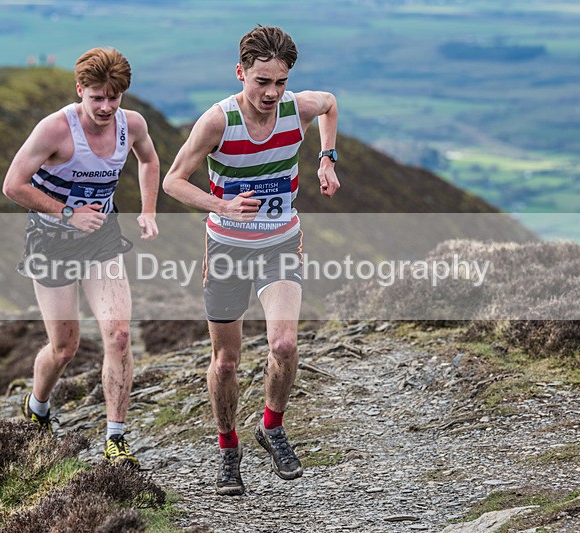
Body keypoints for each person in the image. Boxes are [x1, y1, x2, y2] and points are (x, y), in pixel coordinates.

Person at [163, 26, 339, 495]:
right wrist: (220, 205)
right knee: (225, 362)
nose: (271, 92)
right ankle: (228, 450)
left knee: (284, 345)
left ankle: (272, 427)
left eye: (279, 82)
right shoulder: (217, 122)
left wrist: (327, 158)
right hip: (226, 251)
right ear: (240, 73)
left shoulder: (296, 107)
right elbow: (173, 181)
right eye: (261, 81)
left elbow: (330, 104)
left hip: (281, 244)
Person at [2, 47, 159, 467]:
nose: (106, 107)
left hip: (101, 239)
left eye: (114, 97)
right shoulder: (55, 129)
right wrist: (68, 213)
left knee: (119, 335)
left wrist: (147, 210)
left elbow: (148, 159)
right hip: (51, 242)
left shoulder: (132, 125)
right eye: (97, 98)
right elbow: (13, 185)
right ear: (80, 91)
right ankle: (37, 407)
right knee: (65, 346)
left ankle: (116, 438)